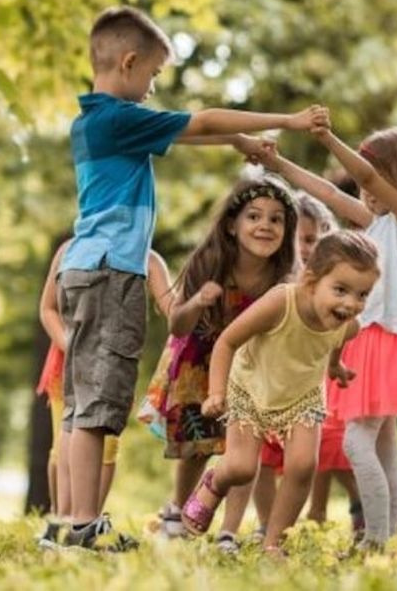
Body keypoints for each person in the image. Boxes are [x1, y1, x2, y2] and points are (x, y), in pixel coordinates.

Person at [58, 4, 328, 550]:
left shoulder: (93, 122)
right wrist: (288, 121)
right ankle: (83, 526)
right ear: (129, 62)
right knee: (98, 408)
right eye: (154, 74)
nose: (155, 87)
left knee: (83, 405)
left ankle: (71, 522)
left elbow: (192, 133)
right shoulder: (117, 117)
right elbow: (200, 120)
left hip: (85, 269)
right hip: (112, 273)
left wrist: (236, 145)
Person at [258, 125, 397, 547]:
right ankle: (388, 537)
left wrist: (326, 137)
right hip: (373, 340)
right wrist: (278, 165)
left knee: (356, 442)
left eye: (376, 178)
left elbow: (364, 178)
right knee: (384, 448)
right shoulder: (380, 223)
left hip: (383, 340)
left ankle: (374, 541)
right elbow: (330, 193)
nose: (366, 191)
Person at [182, 231, 381, 555]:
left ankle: (274, 543)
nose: (351, 304)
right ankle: (214, 482)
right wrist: (216, 393)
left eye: (362, 294)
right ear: (311, 281)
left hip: (302, 396)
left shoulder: (349, 324)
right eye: (341, 290)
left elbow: (338, 339)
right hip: (251, 387)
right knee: (242, 467)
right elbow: (227, 341)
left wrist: (335, 366)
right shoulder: (281, 301)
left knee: (303, 466)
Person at [139, 174, 298, 551]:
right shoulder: (210, 261)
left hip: (250, 367)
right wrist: (196, 301)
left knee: (243, 449)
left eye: (276, 219)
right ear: (232, 224)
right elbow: (177, 324)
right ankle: (177, 511)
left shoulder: (284, 276)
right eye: (254, 216)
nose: (265, 226)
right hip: (199, 360)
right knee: (197, 445)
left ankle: (228, 531)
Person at [37, 239, 173, 547]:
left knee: (106, 445)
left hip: (111, 366)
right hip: (66, 367)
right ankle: (61, 520)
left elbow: (172, 304)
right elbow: (47, 309)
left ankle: (88, 522)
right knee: (64, 442)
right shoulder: (70, 250)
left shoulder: (146, 257)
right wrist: (71, 346)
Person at [253, 194, 365, 537]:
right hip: (265, 383)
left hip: (308, 385)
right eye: (297, 239)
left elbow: (343, 328)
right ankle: (265, 523)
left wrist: (336, 364)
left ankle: (285, 527)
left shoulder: (331, 289)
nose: (303, 248)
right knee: (263, 459)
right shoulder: (274, 281)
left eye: (312, 239)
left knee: (314, 455)